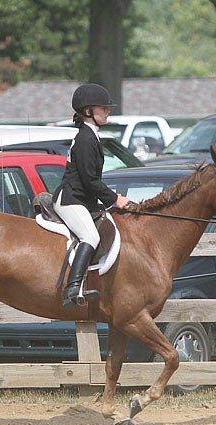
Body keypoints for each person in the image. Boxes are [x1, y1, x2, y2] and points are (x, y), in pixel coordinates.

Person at [53, 83, 131, 308]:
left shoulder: (90, 135)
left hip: (82, 198)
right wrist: (115, 199)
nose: (108, 111)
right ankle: (73, 288)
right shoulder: (86, 139)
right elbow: (90, 180)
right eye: (103, 108)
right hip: (71, 200)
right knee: (91, 237)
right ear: (88, 112)